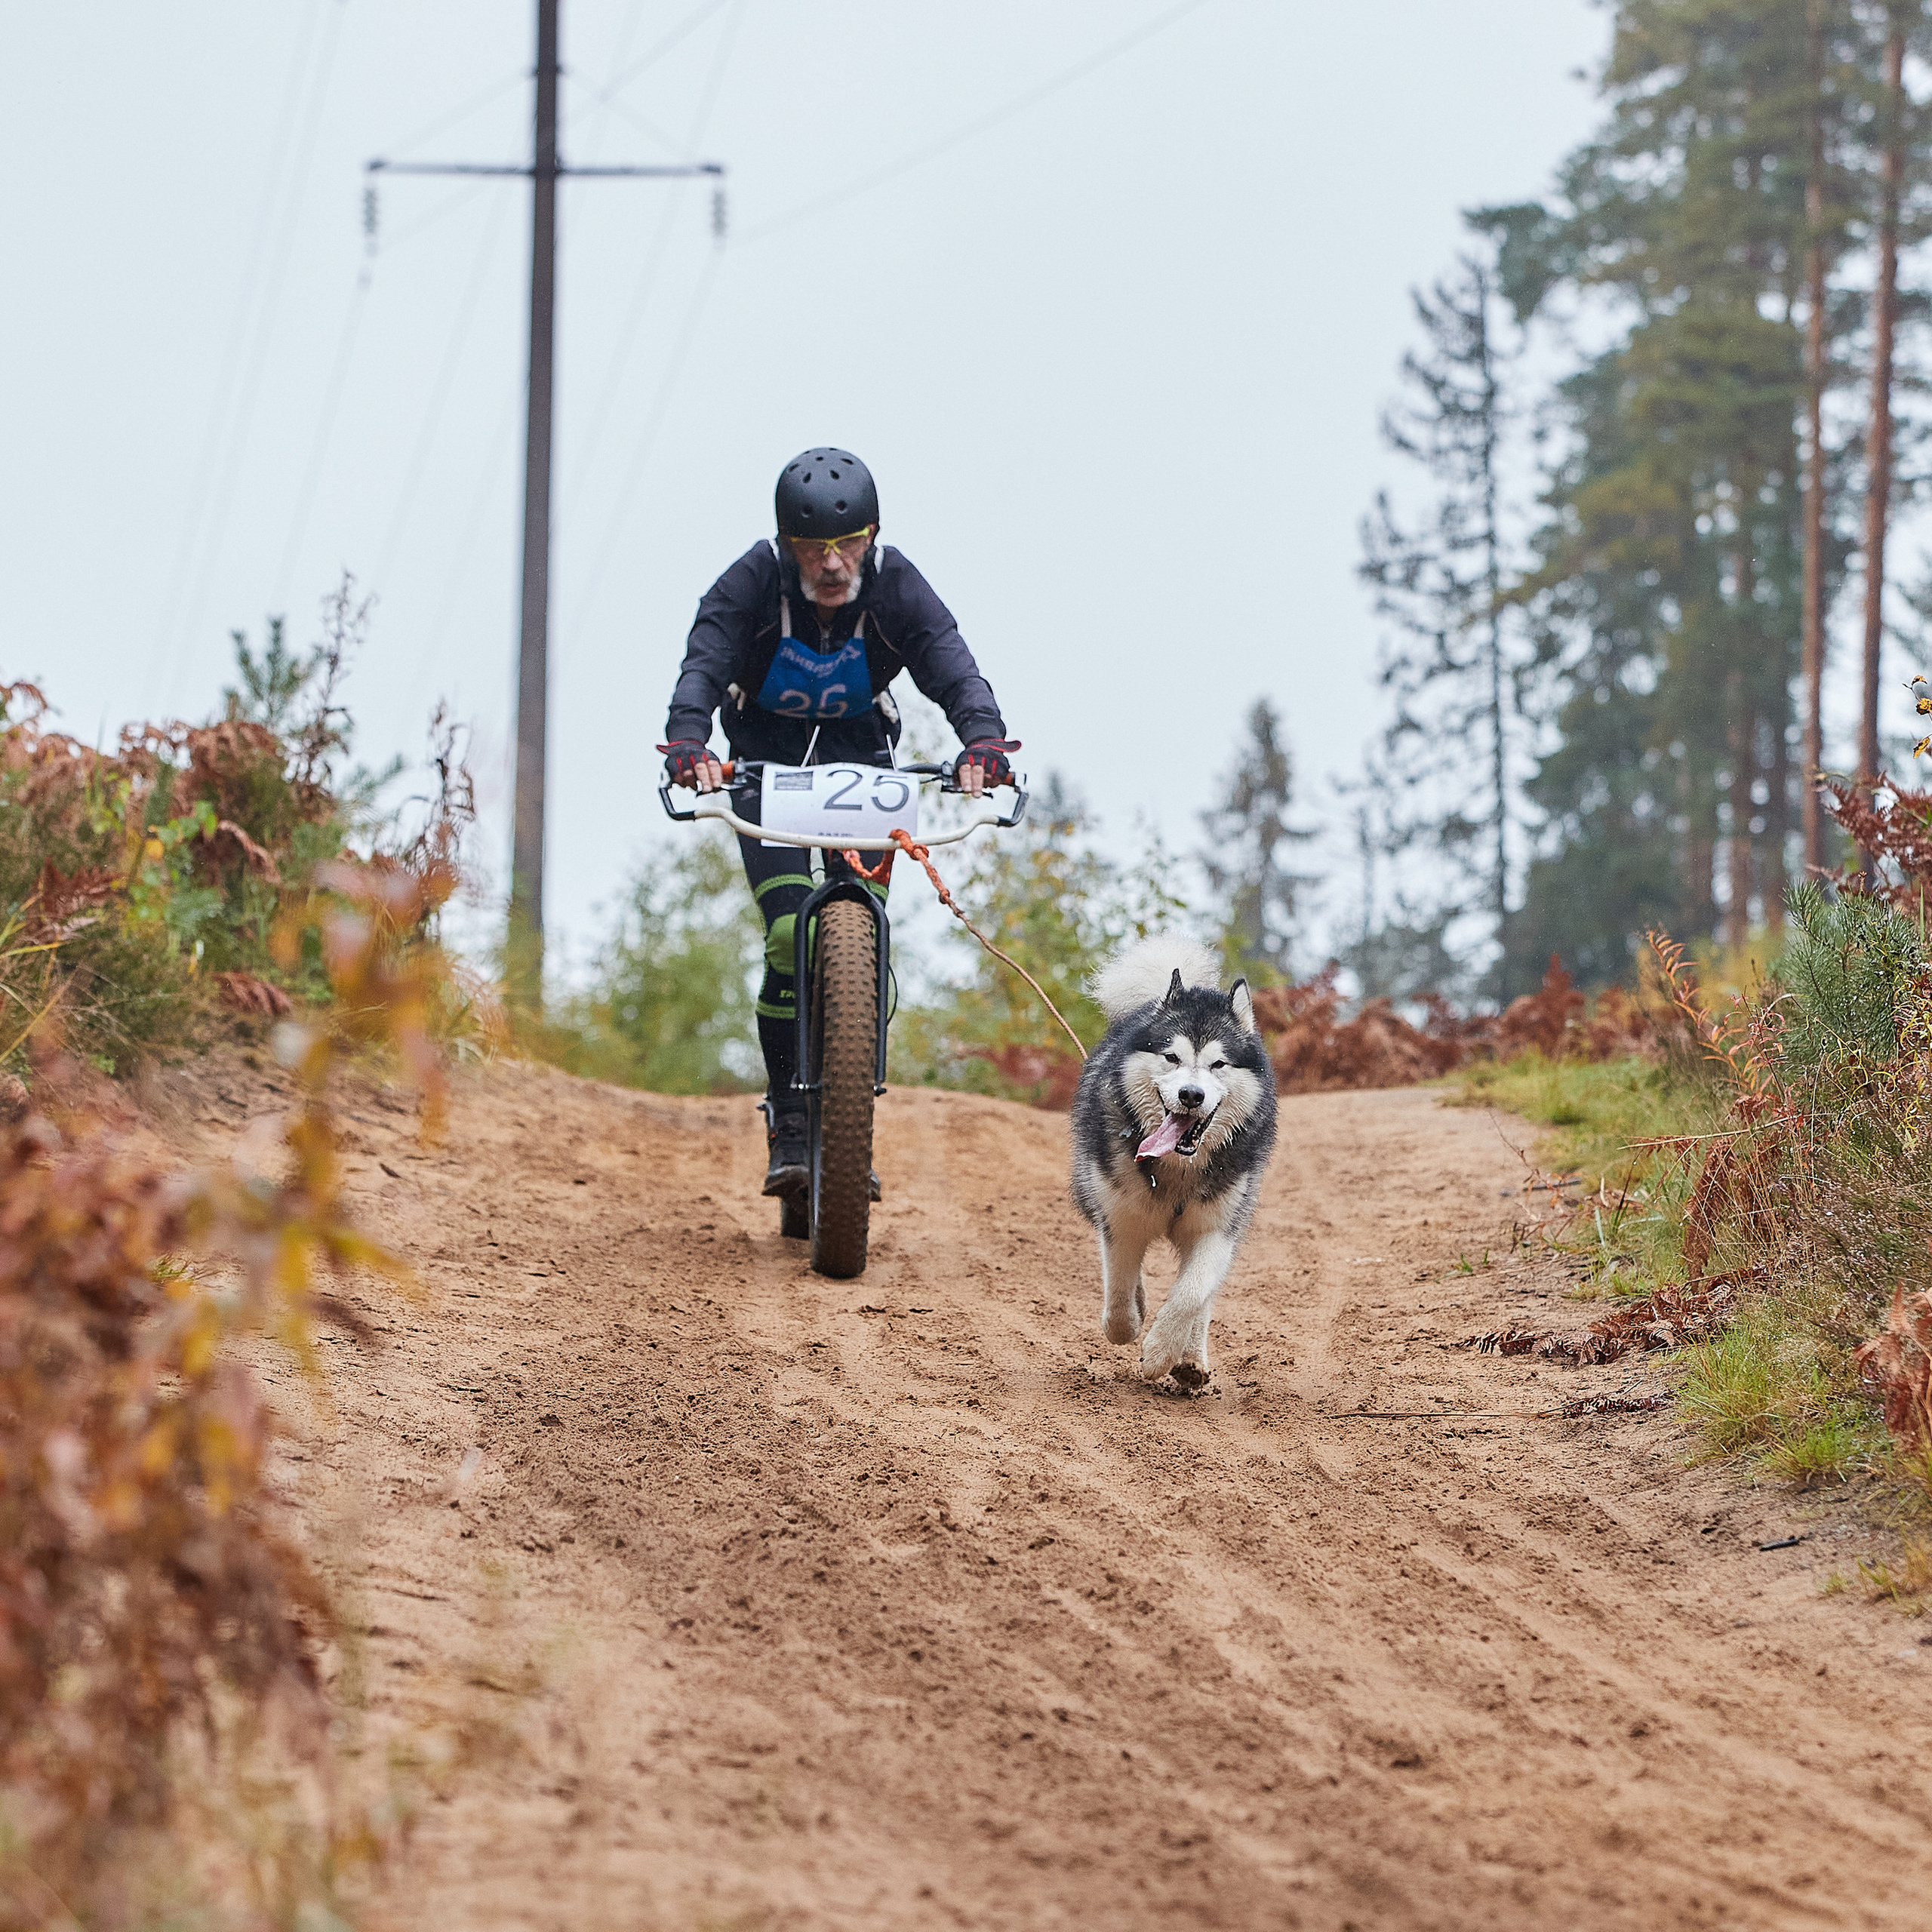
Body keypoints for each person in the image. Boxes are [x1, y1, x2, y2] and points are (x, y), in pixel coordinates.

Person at [660, 448, 1018, 1201]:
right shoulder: (751, 581)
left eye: (848, 544)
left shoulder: (897, 586)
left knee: (867, 933)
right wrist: (689, 740)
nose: (831, 564)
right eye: (813, 547)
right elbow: (704, 662)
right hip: (764, 761)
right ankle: (790, 1120)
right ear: (786, 545)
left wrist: (983, 741)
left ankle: (851, 1125)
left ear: (872, 536)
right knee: (789, 934)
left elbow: (951, 665)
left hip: (862, 758)